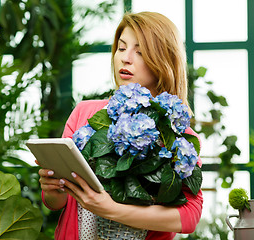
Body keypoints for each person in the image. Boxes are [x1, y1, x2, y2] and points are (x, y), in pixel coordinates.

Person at [37, 11, 203, 240]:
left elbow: (189, 217)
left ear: (163, 62)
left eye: (141, 52)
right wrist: (52, 187)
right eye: (121, 48)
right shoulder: (85, 113)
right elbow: (56, 203)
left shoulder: (178, 135)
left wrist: (112, 210)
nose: (125, 58)